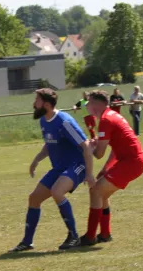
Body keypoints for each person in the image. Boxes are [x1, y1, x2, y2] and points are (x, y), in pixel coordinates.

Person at [10, 89, 95, 252]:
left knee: (57, 192)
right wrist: (36, 160)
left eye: (37, 100)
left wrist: (89, 174)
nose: (34, 103)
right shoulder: (44, 120)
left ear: (47, 105)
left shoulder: (64, 121)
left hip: (77, 164)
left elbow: (86, 147)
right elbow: (49, 144)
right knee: (34, 198)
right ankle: (27, 242)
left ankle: (73, 236)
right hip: (59, 168)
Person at [81, 90, 143, 246]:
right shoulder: (111, 115)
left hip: (131, 162)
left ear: (97, 104)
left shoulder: (105, 120)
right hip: (131, 160)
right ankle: (104, 234)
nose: (87, 106)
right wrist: (106, 168)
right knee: (101, 194)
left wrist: (89, 148)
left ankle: (90, 237)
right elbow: (115, 147)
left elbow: (99, 154)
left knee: (96, 190)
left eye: (89, 103)